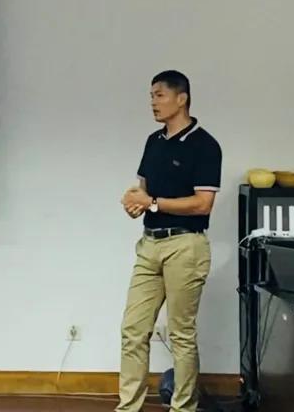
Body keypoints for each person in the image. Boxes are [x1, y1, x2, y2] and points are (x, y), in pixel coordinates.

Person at [117, 70, 221, 412]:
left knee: (181, 334)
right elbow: (144, 189)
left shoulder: (205, 145)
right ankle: (128, 407)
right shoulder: (153, 141)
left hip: (185, 246)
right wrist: (136, 202)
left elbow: (203, 203)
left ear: (182, 98)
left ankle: (183, 408)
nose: (153, 102)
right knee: (133, 329)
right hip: (149, 245)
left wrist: (153, 203)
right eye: (151, 96)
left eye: (159, 95)